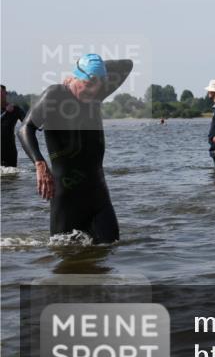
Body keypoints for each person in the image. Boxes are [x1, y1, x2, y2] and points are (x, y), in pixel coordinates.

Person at [17, 54, 133, 243]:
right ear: (75, 77)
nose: (92, 92)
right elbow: (25, 129)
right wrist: (39, 164)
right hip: (67, 199)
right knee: (65, 258)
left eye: (97, 88)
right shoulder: (56, 95)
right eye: (87, 85)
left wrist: (97, 69)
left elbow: (127, 64)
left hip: (98, 196)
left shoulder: (97, 92)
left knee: (111, 249)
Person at [1, 85, 27, 167]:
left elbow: (27, 122)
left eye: (2, 93)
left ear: (6, 94)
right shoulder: (9, 110)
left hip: (10, 150)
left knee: (12, 175)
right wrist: (6, 113)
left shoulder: (15, 109)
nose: (0, 95)